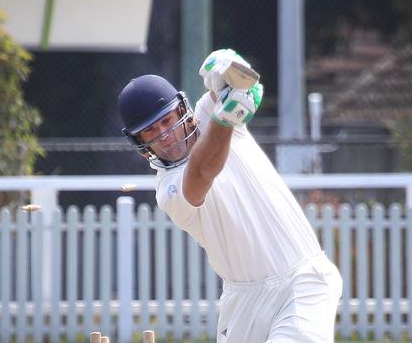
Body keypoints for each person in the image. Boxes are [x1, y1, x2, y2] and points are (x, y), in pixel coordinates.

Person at [117, 49, 342, 343]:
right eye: (151, 131)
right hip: (242, 301)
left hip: (302, 281)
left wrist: (227, 70)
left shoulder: (207, 113)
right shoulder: (168, 188)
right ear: (141, 142)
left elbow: (240, 82)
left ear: (182, 111)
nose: (166, 135)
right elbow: (203, 171)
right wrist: (226, 119)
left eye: (167, 120)